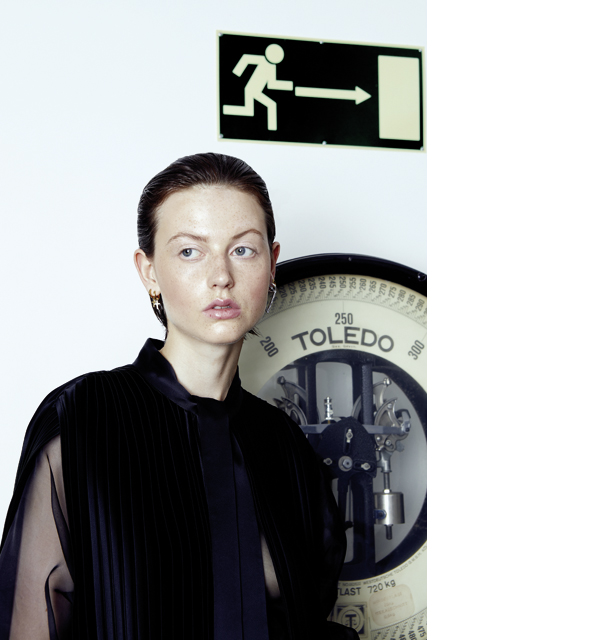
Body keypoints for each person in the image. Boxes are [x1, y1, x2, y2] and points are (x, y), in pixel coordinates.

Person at [0, 153, 358, 639]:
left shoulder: (285, 446)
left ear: (272, 263)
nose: (221, 276)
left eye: (243, 250)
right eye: (190, 251)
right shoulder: (83, 417)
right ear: (148, 271)